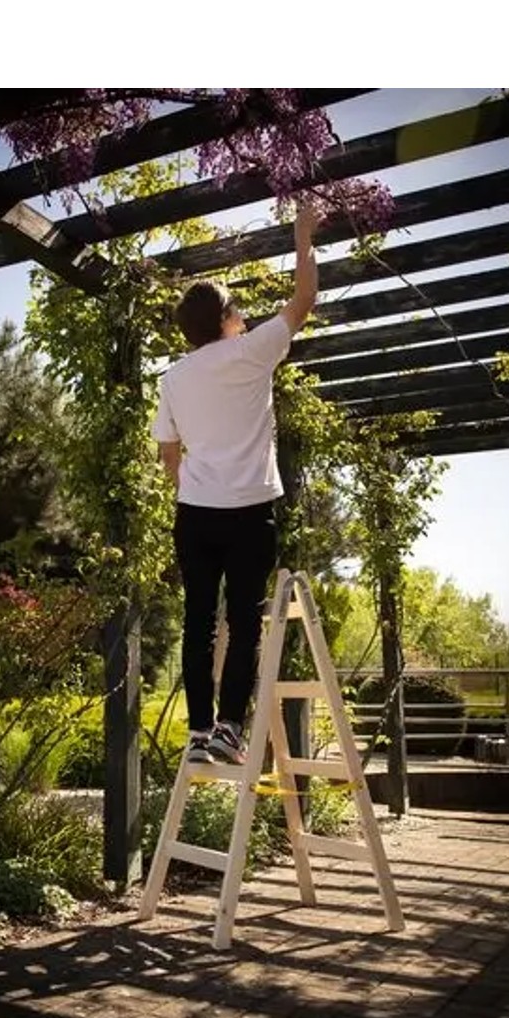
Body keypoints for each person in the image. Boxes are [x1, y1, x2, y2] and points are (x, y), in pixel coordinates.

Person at [151, 199, 321, 765]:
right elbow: (303, 302)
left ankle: (199, 734)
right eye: (238, 312)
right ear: (226, 320)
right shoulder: (251, 353)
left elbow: (167, 451)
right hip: (250, 513)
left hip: (196, 514)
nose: (243, 317)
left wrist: (188, 488)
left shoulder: (173, 376)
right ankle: (227, 730)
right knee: (243, 621)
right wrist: (302, 237)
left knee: (198, 620)